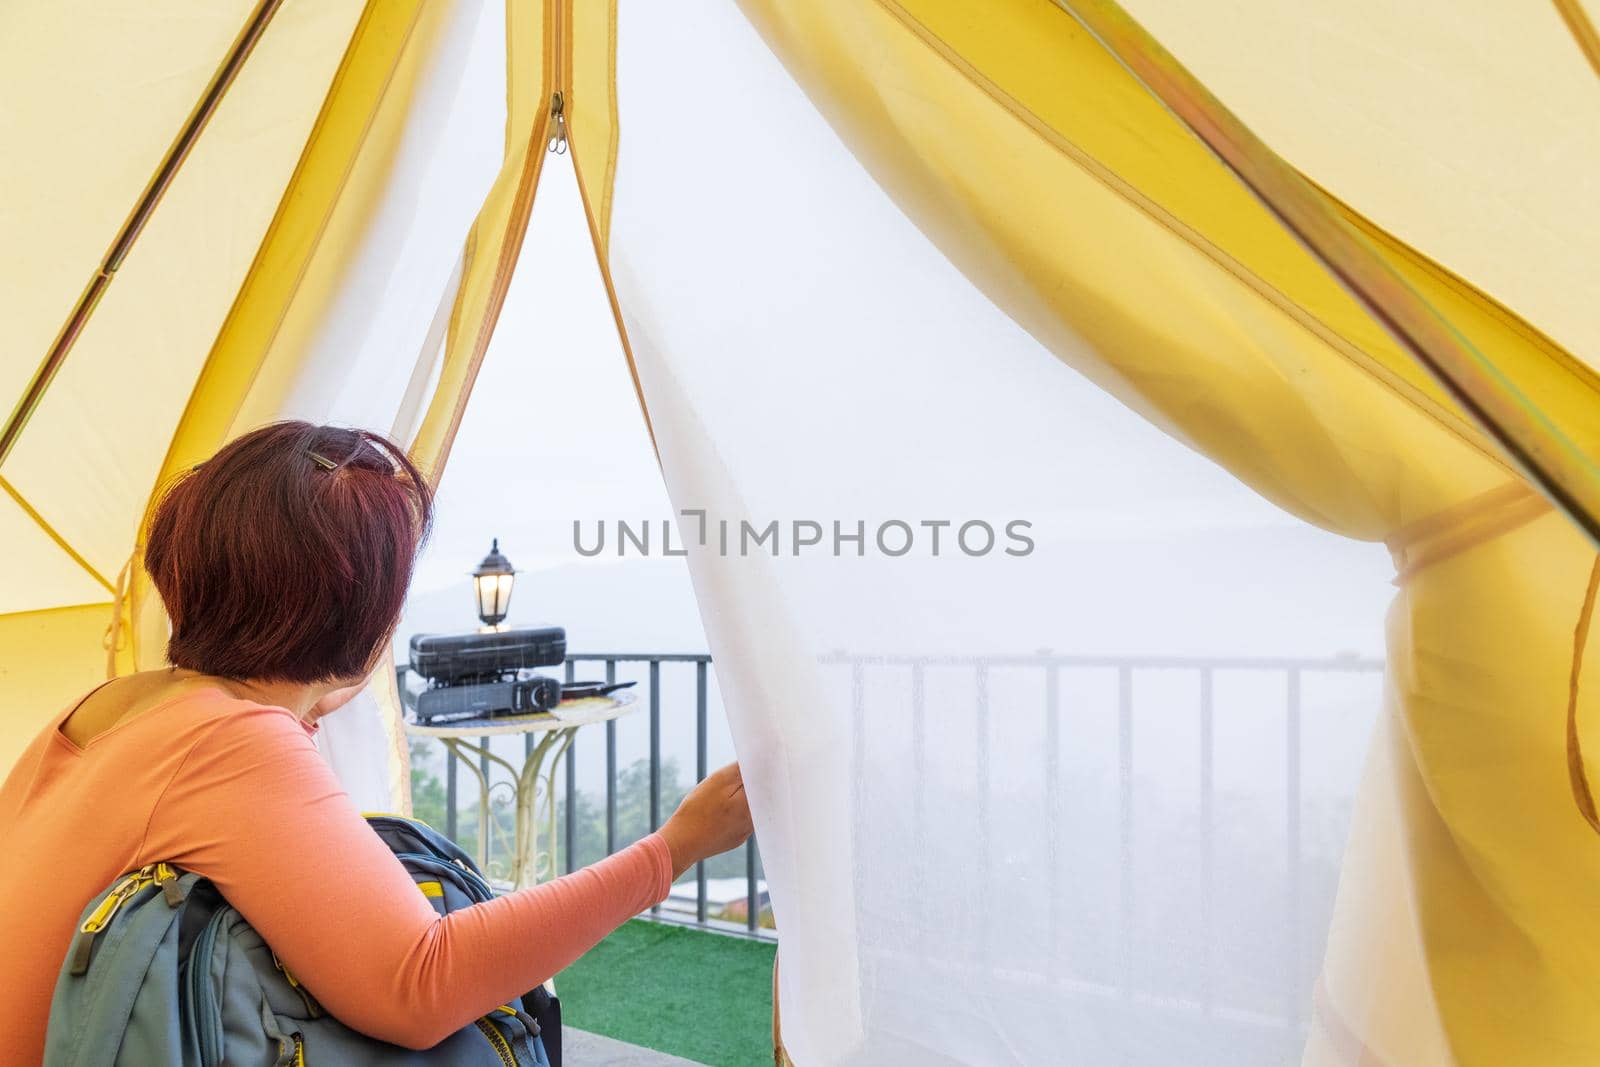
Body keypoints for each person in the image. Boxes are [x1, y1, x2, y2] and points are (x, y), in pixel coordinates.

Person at [0, 421, 754, 1062]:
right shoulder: (229, 741)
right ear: (357, 613)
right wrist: (673, 850)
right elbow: (422, 981)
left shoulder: (111, 704)